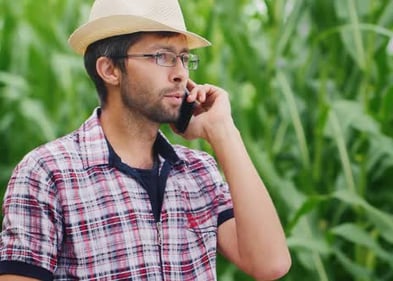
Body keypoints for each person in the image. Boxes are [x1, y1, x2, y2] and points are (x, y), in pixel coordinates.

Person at [0, 0, 291, 280]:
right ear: (110, 70)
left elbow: (270, 264)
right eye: (163, 57)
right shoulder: (47, 173)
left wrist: (223, 131)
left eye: (184, 58)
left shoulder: (199, 171)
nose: (180, 73)